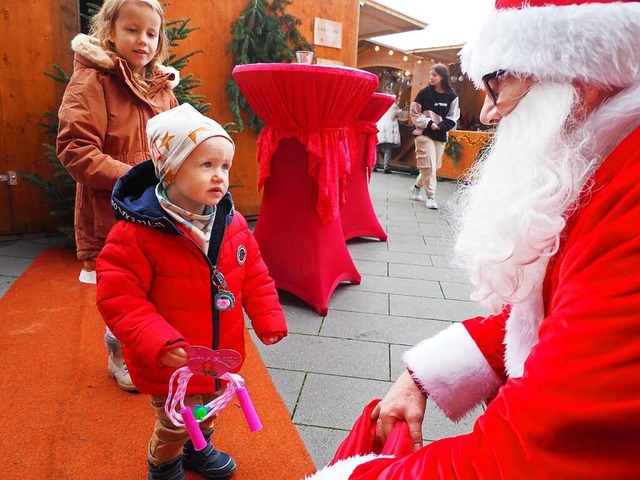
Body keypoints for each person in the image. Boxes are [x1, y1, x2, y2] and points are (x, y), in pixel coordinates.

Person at [306, 0, 640, 478]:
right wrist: (423, 376)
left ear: (580, 77)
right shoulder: (608, 163)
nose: (487, 112)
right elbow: (552, 315)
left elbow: (531, 454)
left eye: (497, 83)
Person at [96, 103, 288, 480]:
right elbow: (119, 298)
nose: (219, 177)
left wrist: (267, 315)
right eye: (206, 165)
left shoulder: (230, 222)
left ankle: (199, 449)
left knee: (209, 407)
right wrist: (159, 341)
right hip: (172, 356)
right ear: (170, 169)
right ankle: (163, 460)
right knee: (176, 419)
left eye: (224, 166)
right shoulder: (136, 234)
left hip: (218, 351)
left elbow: (254, 273)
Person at [57, 0, 179, 392]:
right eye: (132, 29)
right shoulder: (92, 81)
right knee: (123, 291)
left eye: (151, 32)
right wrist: (134, 177)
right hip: (111, 211)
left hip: (158, 209)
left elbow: (177, 140)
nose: (142, 39)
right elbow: (75, 148)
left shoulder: (160, 87)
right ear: (110, 30)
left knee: (156, 285)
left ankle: (147, 348)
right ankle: (119, 350)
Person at [408, 64, 459, 209]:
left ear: (443, 77)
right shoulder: (424, 93)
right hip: (424, 133)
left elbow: (454, 116)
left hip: (440, 134)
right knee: (429, 165)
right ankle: (431, 197)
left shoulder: (452, 96)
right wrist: (429, 123)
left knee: (433, 167)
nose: (431, 77)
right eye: (430, 74)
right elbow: (415, 113)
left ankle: (416, 187)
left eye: (435, 75)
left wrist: (442, 126)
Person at [374, 98, 402, 174]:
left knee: (376, 148)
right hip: (390, 128)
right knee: (388, 149)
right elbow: (400, 115)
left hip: (380, 126)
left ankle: (374, 165)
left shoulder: (381, 106)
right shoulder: (394, 107)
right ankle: (386, 167)